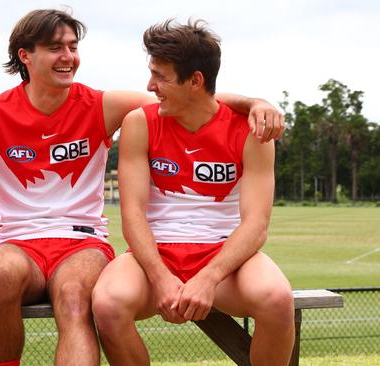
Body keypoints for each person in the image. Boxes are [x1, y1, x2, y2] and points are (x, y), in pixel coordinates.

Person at [0, 9, 284, 366]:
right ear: (26, 56)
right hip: (18, 243)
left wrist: (254, 101)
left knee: (73, 297)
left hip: (82, 243)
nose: (69, 56)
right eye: (55, 47)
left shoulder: (103, 106)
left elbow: (188, 98)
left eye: (72, 46)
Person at [91, 19, 294, 365]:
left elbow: (256, 224)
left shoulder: (250, 130)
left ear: (195, 81)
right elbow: (133, 215)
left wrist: (208, 278)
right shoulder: (140, 122)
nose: (150, 85)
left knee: (277, 299)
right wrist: (161, 277)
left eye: (160, 76)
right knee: (108, 303)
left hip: (225, 256)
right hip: (156, 255)